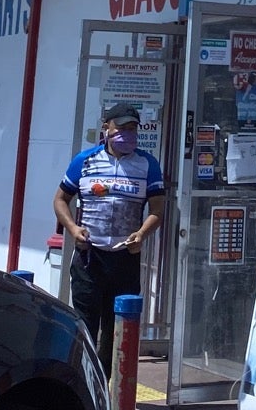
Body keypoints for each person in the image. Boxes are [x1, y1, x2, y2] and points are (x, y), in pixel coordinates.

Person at [54, 103, 165, 374]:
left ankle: (108, 386)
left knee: (117, 332)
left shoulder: (147, 164)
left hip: (125, 259)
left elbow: (158, 210)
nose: (127, 134)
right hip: (90, 257)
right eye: (122, 128)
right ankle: (83, 382)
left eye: (133, 129)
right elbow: (60, 200)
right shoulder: (85, 161)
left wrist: (142, 234)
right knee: (85, 327)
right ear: (106, 128)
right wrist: (73, 229)